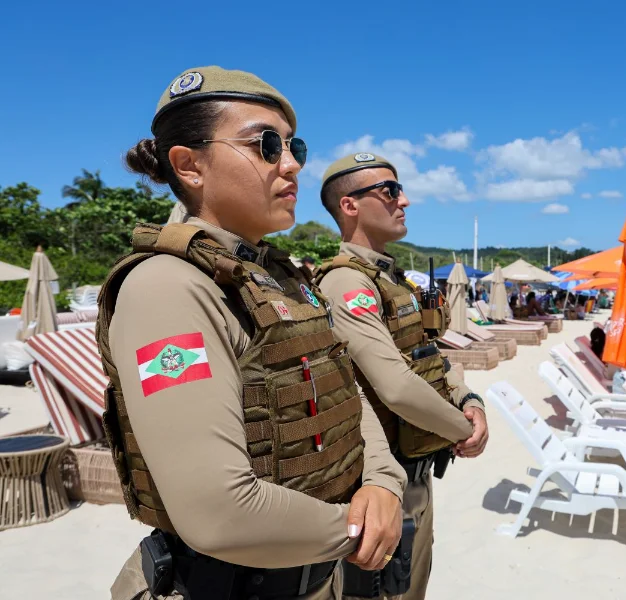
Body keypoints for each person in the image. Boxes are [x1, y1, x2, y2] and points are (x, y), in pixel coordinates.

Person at [97, 67, 405, 600]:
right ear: (189, 165)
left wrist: (382, 480)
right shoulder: (168, 287)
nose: (291, 164)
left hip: (315, 575)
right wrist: (364, 528)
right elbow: (220, 513)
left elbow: (343, 386)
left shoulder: (281, 278)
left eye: (293, 146)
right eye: (266, 145)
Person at [314, 153, 489, 600]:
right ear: (350, 205)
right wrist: (462, 429)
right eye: (389, 191)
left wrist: (470, 401)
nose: (404, 201)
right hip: (383, 478)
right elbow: (395, 385)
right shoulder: (346, 283)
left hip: (418, 469)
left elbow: (429, 359)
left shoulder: (393, 282)